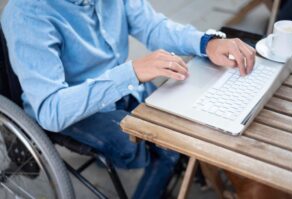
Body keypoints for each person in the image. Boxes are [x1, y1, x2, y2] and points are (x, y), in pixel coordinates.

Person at [1, 0, 256, 198]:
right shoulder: (27, 14)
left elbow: (153, 27)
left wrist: (206, 42)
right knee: (165, 149)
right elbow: (51, 110)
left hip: (122, 85)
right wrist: (131, 72)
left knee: (182, 122)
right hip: (70, 107)